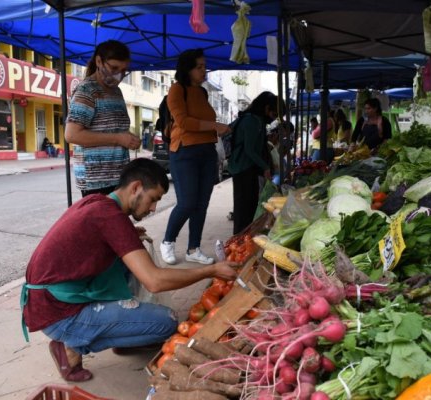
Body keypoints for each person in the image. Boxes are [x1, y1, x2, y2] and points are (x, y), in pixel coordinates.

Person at [21, 158, 239, 382]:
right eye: (153, 199)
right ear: (135, 188)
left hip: (46, 301)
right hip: (57, 313)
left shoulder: (100, 203)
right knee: (168, 322)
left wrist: (128, 236)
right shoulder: (111, 217)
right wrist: (210, 270)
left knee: (129, 263)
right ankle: (70, 347)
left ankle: (123, 334)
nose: (153, 208)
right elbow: (154, 281)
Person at [160, 48, 231, 265]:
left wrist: (217, 129)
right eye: (199, 67)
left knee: (201, 204)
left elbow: (201, 121)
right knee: (187, 202)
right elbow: (184, 122)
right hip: (184, 152)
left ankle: (194, 248)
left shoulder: (202, 93)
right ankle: (167, 241)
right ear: (187, 69)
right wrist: (215, 125)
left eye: (204, 66)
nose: (204, 71)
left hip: (207, 152)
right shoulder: (176, 89)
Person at [65, 40, 141, 198]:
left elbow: (112, 128)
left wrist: (128, 138)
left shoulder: (116, 92)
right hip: (96, 181)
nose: (119, 75)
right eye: (114, 68)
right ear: (99, 61)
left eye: (123, 70)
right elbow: (72, 135)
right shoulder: (86, 91)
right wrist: (119, 138)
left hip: (118, 176)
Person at [228, 91, 285, 234]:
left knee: (250, 207)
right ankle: (239, 240)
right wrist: (265, 167)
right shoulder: (251, 121)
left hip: (249, 169)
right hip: (243, 169)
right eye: (273, 115)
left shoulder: (256, 120)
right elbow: (250, 150)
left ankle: (244, 237)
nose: (273, 120)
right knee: (243, 209)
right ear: (266, 109)